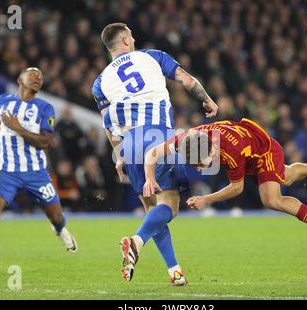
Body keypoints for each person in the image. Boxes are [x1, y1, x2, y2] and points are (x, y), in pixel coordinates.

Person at [92, 23, 218, 285]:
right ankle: (135, 241)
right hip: (157, 137)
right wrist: (206, 99)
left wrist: (119, 155)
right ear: (126, 40)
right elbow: (187, 80)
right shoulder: (152, 56)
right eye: (131, 35)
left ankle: (175, 271)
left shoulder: (100, 82)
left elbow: (108, 124)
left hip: (130, 144)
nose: (134, 38)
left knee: (152, 210)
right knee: (169, 208)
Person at [144, 118, 307, 248]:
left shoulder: (230, 150)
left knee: (272, 199)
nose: (198, 169)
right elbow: (152, 153)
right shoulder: (189, 138)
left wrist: (206, 199)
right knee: (288, 175)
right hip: (248, 148)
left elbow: (237, 188)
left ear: (212, 151)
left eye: (201, 164)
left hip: (264, 151)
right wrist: (150, 178)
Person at [0, 67, 77, 272]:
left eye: (41, 77)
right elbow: (1, 122)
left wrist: (18, 128)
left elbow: (44, 141)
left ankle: (60, 229)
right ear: (20, 79)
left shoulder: (45, 108)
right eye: (33, 74)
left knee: (56, 215)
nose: (38, 78)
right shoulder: (4, 100)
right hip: (6, 170)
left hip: (36, 172)